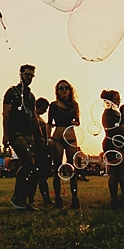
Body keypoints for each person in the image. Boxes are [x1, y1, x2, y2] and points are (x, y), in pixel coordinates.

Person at [2, 65, 41, 210]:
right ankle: (17, 197)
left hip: (29, 133)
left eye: (31, 75)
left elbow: (34, 116)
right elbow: (6, 114)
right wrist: (6, 134)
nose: (29, 78)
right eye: (27, 75)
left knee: (31, 166)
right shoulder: (12, 92)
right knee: (27, 162)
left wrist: (39, 135)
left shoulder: (31, 96)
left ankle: (25, 200)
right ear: (21, 75)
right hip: (16, 133)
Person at [47, 80, 81, 209]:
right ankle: (57, 198)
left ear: (70, 90)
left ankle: (75, 198)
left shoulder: (74, 105)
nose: (64, 90)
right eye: (61, 88)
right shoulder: (53, 105)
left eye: (66, 88)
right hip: (57, 138)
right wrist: (47, 138)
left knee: (73, 168)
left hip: (71, 137)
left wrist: (75, 122)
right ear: (57, 91)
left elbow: (78, 121)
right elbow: (49, 123)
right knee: (57, 167)